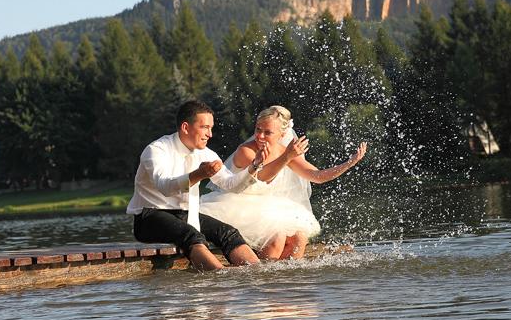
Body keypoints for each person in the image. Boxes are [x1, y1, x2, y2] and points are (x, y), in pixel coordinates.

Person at [126, 100, 307, 271]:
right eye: (205, 127)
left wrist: (254, 167)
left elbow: (232, 185)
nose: (210, 134)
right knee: (192, 236)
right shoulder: (157, 150)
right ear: (185, 127)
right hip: (149, 216)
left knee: (228, 232)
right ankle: (221, 279)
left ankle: (256, 276)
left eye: (211, 128)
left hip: (186, 215)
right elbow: (165, 187)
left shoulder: (207, 153)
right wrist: (199, 174)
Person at [200, 105, 367, 261]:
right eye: (258, 130)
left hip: (268, 206)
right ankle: (263, 280)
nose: (260, 136)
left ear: (282, 134)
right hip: (237, 204)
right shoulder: (246, 151)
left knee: (300, 237)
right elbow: (262, 177)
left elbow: (317, 176)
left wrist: (348, 164)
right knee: (277, 236)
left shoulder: (285, 151)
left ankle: (288, 283)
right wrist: (287, 157)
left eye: (268, 132)